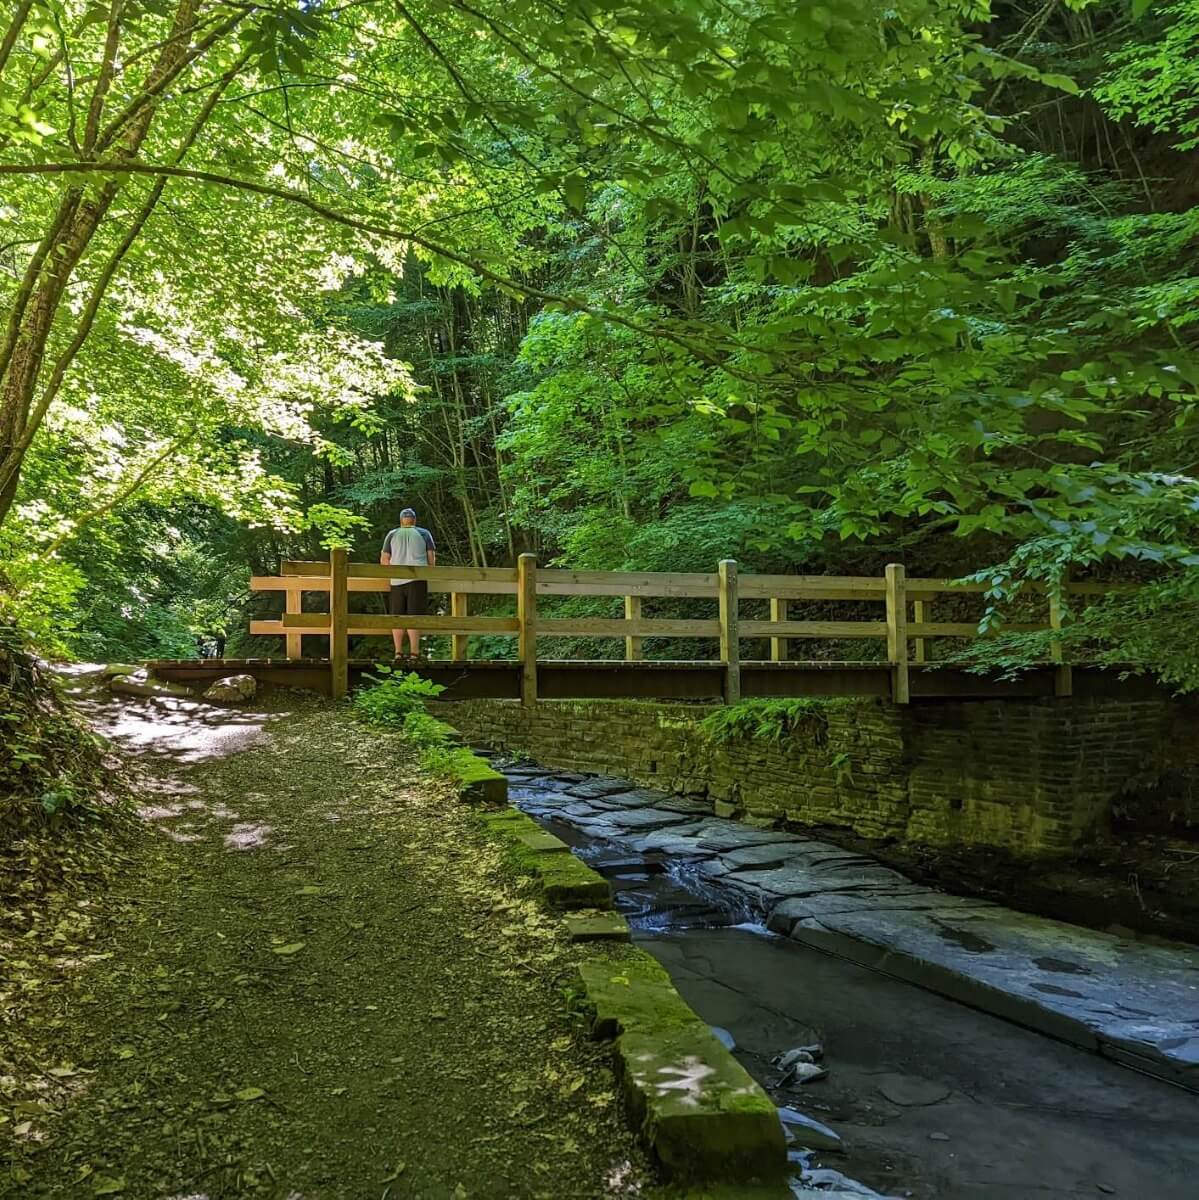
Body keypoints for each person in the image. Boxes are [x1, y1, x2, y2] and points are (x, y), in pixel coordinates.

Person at [380, 508, 436, 659]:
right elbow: (431, 560)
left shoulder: (392, 534)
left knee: (397, 616)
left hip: (396, 580)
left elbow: (384, 560)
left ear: (401, 521)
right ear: (415, 520)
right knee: (415, 615)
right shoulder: (424, 534)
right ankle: (414, 653)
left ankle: (398, 652)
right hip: (417, 580)